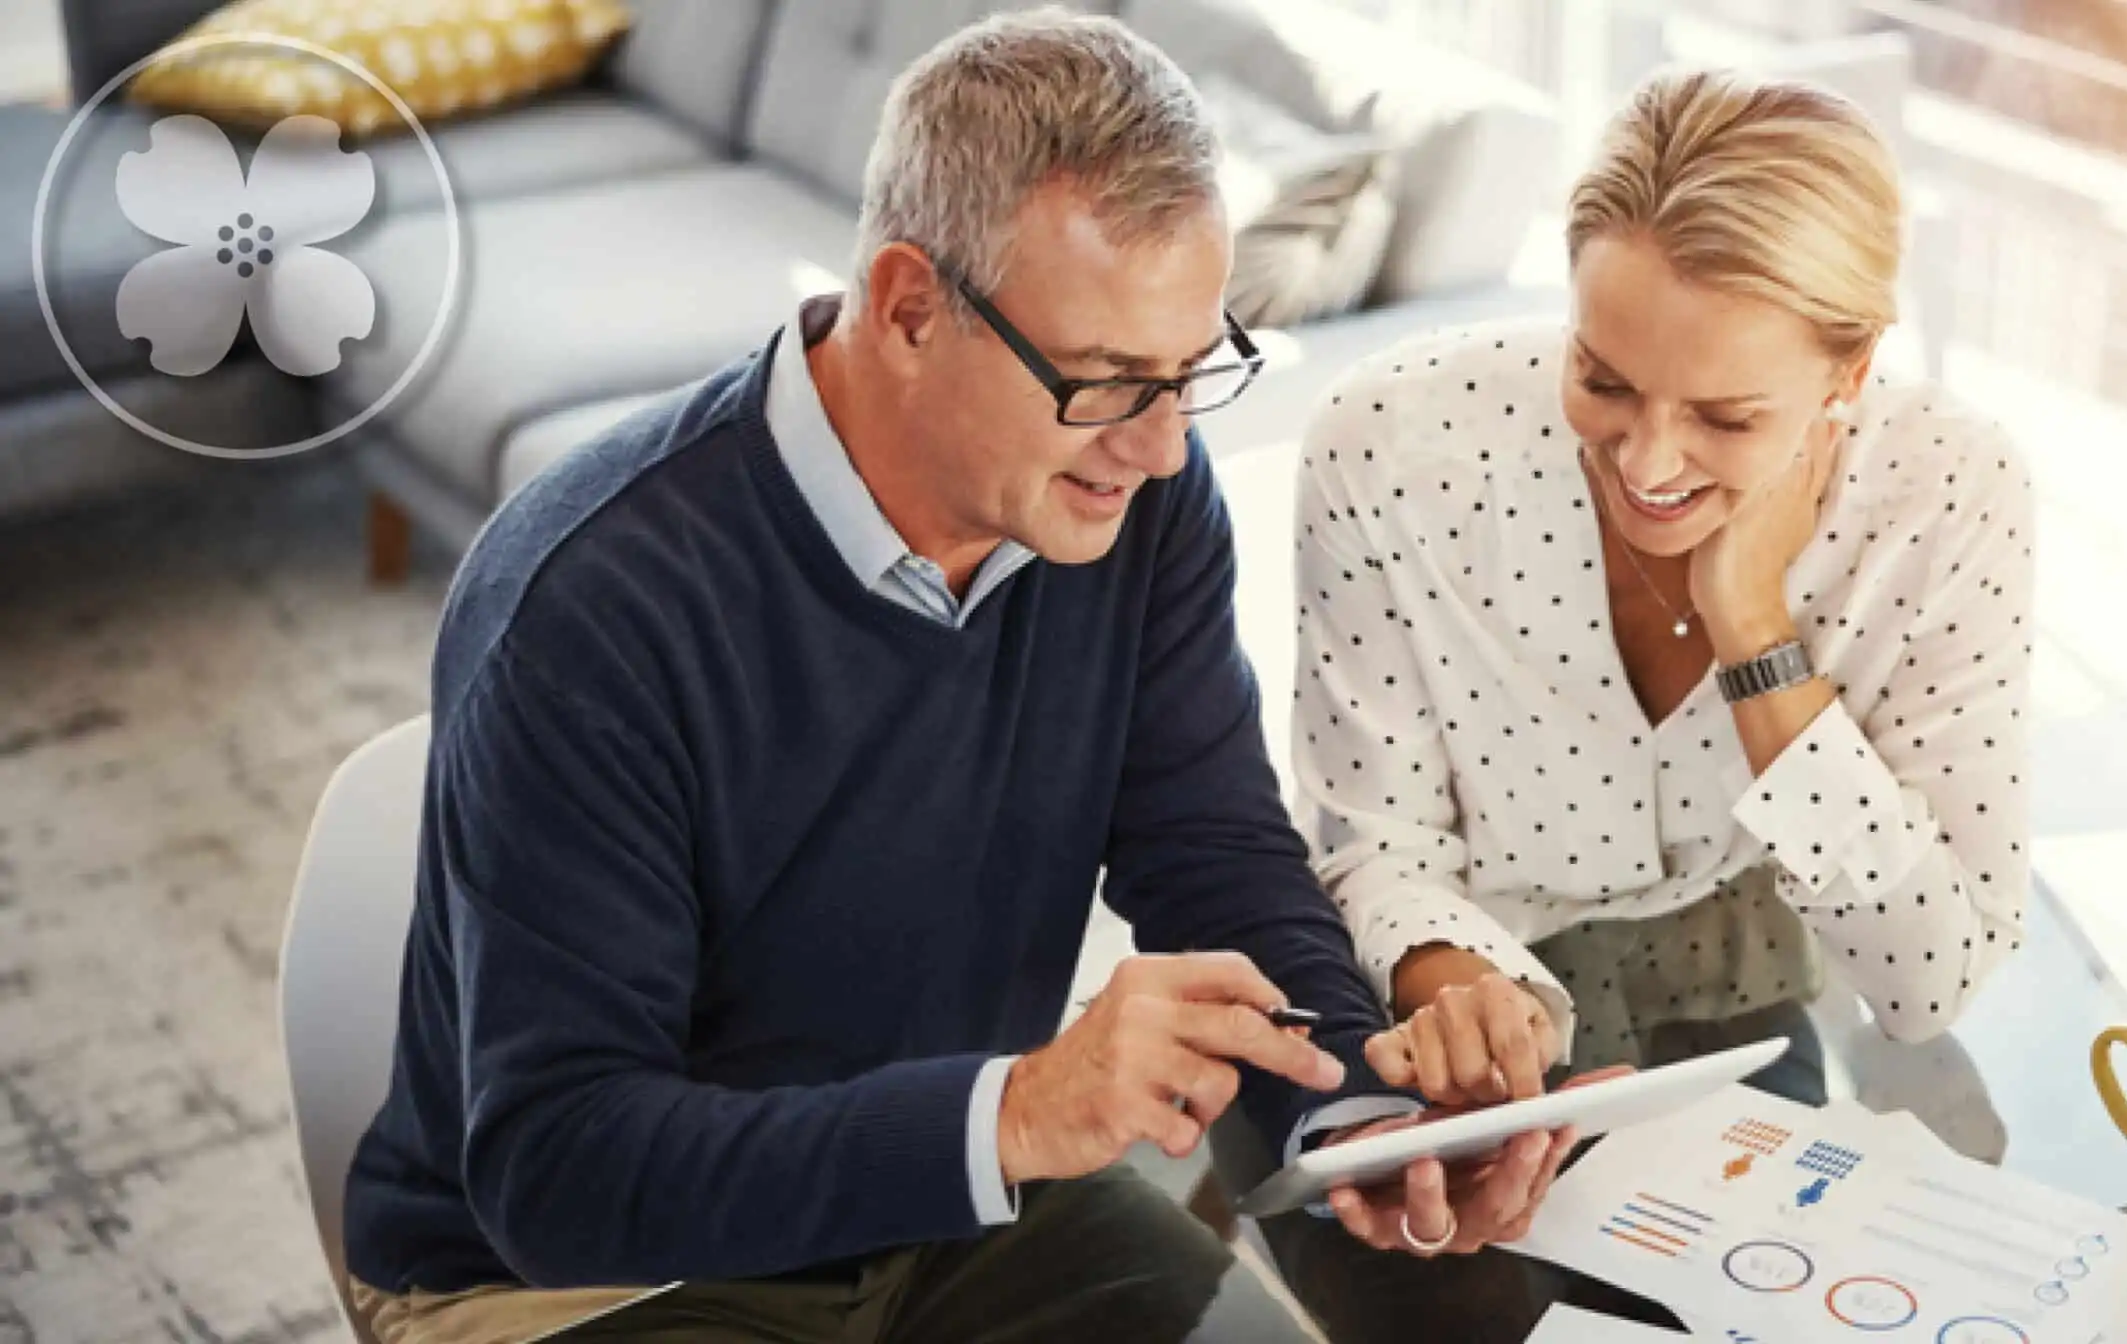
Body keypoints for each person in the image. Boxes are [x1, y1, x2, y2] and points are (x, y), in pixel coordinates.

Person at [337, 14, 1575, 1344]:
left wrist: (1352, 1118)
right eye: (1103, 384)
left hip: (952, 1202)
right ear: (910, 305)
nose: (1160, 449)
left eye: (1190, 372)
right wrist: (1021, 1112)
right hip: (598, 1275)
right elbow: (558, 1171)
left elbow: (1209, 849)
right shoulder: (592, 604)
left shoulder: (1129, 502)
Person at [1251, 66, 2038, 1336]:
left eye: (1726, 417)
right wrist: (1458, 994)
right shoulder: (1390, 446)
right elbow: (1372, 841)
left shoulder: (1948, 496)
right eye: (1602, 380)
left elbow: (1925, 979)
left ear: (1851, 370)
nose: (1648, 463)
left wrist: (1755, 632)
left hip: (1719, 998)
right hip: (1434, 998)